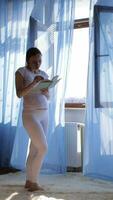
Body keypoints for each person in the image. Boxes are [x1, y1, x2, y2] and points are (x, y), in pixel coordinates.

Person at [15, 47, 50, 192]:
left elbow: (48, 98)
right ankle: (34, 182)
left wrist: (47, 92)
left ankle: (29, 181)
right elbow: (19, 93)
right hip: (30, 115)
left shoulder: (44, 73)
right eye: (34, 60)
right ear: (28, 59)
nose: (37, 63)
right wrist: (34, 83)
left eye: (40, 60)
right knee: (43, 148)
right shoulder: (21, 72)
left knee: (34, 149)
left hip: (44, 113)